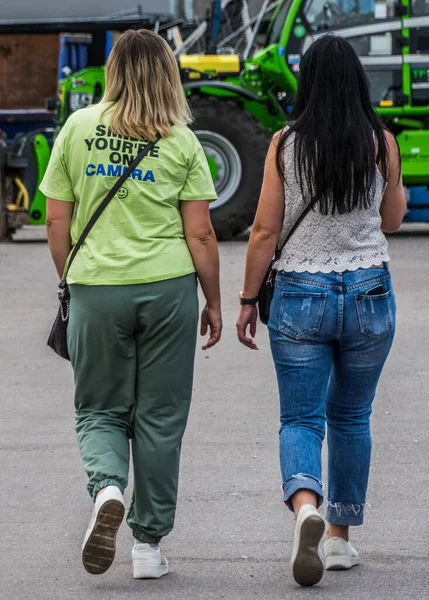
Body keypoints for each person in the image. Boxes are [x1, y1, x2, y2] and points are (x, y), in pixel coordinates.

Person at [40, 29, 222, 579]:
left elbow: (54, 220)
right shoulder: (182, 139)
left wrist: (73, 280)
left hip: (96, 288)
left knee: (99, 407)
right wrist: (213, 301)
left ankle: (108, 489)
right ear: (168, 72)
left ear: (113, 70)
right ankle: (148, 546)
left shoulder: (76, 128)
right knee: (161, 419)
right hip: (168, 289)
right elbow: (203, 235)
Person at [236, 35, 406, 587]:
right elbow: (393, 219)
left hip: (301, 294)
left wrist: (244, 300)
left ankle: (305, 504)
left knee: (301, 418)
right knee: (352, 417)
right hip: (369, 293)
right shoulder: (382, 142)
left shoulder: (285, 144)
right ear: (356, 80)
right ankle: (338, 539)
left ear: (307, 81)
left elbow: (264, 230)